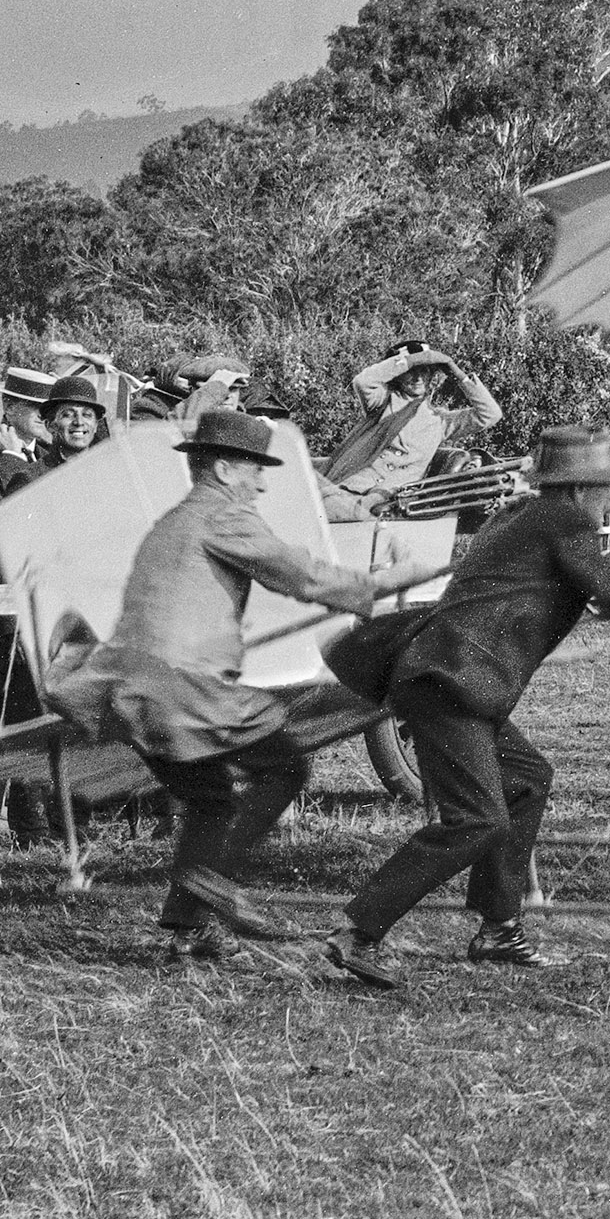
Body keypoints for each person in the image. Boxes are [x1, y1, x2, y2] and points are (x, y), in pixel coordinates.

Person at [322, 422, 610, 990]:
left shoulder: (528, 517)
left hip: (456, 677)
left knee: (527, 780)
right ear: (579, 489)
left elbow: (589, 580)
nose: (606, 498)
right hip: (451, 681)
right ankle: (357, 929)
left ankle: (500, 928)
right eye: (603, 487)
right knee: (477, 818)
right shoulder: (564, 519)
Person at [55, 406, 393, 957]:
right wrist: (378, 584)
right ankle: (212, 883)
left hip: (132, 691)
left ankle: (186, 930)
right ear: (223, 469)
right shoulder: (222, 517)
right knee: (287, 764)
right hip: (180, 687)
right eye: (255, 469)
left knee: (211, 800)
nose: (262, 482)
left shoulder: (175, 520)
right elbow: (300, 574)